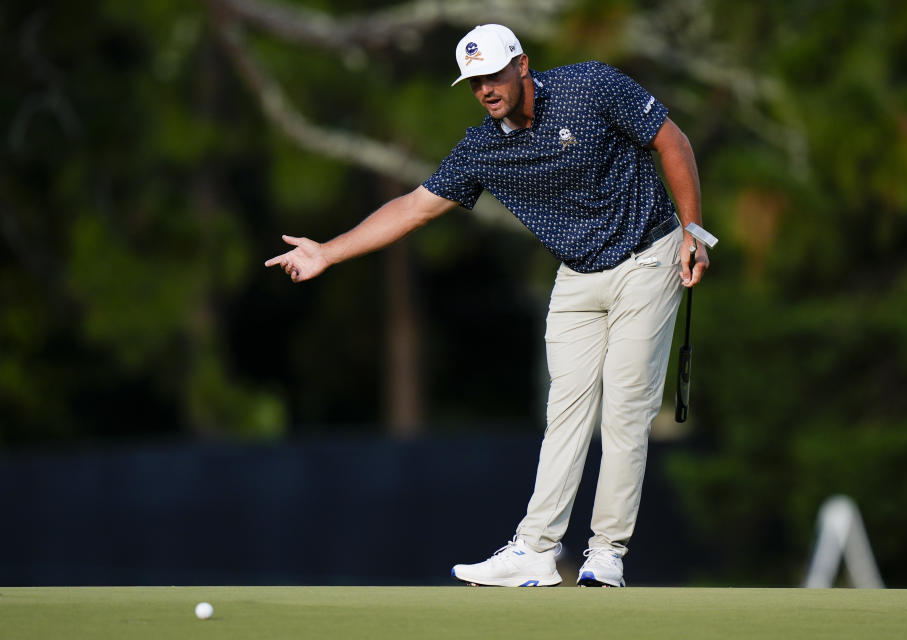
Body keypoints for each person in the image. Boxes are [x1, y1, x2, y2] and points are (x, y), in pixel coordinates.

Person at [265, 24, 709, 587]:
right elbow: (414, 208)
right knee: (565, 415)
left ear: (522, 65)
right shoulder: (482, 148)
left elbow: (671, 140)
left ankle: (606, 555)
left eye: (493, 75)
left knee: (624, 409)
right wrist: (327, 252)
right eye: (474, 82)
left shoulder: (591, 86)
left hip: (650, 254)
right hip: (578, 277)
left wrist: (693, 228)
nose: (485, 90)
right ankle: (536, 551)